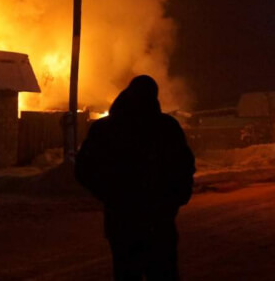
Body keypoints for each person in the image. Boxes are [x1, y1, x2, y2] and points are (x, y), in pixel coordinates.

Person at [75, 75, 195, 281]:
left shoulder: (105, 129)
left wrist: (110, 196)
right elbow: (184, 169)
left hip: (122, 223)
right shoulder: (167, 128)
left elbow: (84, 169)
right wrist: (173, 202)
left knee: (127, 273)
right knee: (163, 273)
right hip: (159, 223)